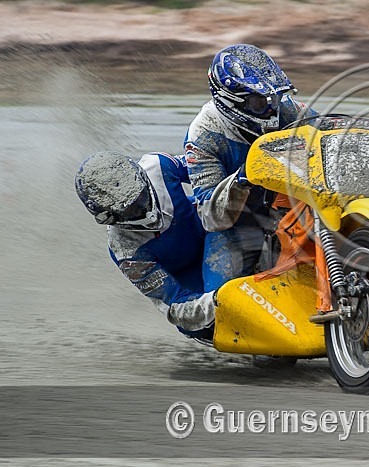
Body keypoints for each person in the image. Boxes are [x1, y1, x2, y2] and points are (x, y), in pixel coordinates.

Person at [184, 43, 316, 291]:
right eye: (259, 103)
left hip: (297, 207)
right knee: (221, 297)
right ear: (231, 102)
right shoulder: (203, 136)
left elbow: (327, 135)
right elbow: (211, 217)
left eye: (275, 98)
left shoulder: (289, 110)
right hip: (238, 225)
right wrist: (242, 179)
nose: (272, 108)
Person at [75, 151, 215, 338]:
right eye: (130, 210)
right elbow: (173, 305)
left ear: (142, 176)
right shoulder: (125, 250)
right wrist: (215, 302)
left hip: (212, 227)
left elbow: (209, 167)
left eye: (141, 198)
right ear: (108, 217)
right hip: (191, 280)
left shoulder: (158, 165)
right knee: (194, 325)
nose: (142, 209)